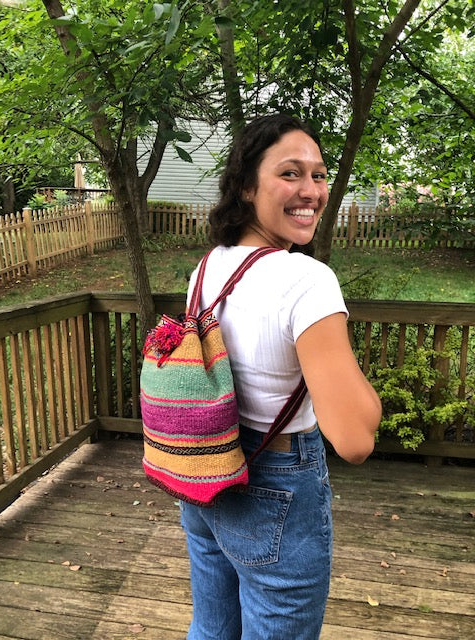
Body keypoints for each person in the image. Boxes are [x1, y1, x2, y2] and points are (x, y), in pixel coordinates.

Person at [179, 113, 382, 640]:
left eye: (318, 174)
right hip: (276, 485)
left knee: (212, 626)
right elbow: (355, 439)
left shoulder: (208, 266)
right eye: (290, 173)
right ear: (247, 186)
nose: (310, 190)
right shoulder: (306, 280)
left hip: (203, 468)